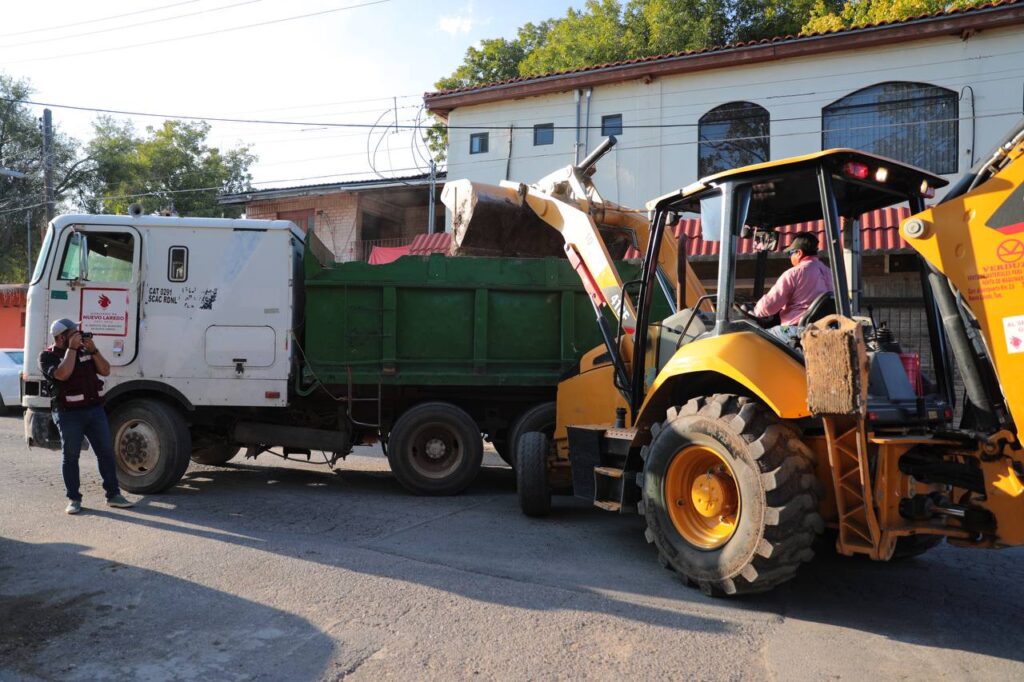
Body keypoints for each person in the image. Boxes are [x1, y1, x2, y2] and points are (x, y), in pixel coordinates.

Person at [39, 318, 133, 514]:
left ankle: (113, 495)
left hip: (94, 410)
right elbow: (62, 374)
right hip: (68, 414)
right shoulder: (47, 356)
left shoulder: (85, 351)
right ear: (61, 337)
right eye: (74, 332)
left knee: (106, 452)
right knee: (71, 456)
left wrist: (94, 350)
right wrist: (71, 350)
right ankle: (74, 499)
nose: (79, 335)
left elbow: (105, 370)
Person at [751, 233, 832, 342]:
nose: (790, 257)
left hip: (796, 331)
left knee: (756, 337)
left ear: (799, 253)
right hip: (825, 330)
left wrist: (754, 311)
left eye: (790, 253)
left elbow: (768, 306)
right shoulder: (830, 273)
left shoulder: (795, 273)